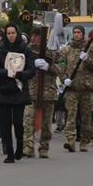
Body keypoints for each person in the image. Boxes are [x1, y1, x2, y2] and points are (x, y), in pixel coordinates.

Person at [0, 24, 36, 163]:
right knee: (4, 124)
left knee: (17, 122)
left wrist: (20, 74)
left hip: (18, 91)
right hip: (3, 91)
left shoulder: (25, 50)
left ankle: (20, 147)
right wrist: (5, 72)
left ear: (17, 33)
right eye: (8, 33)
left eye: (13, 33)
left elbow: (31, 70)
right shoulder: (0, 50)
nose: (11, 35)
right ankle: (9, 153)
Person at [56, 25, 93, 152]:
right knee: (70, 115)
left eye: (79, 32)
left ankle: (84, 141)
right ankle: (70, 140)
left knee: (86, 116)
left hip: (86, 88)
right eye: (74, 32)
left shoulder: (90, 48)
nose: (76, 34)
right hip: (72, 88)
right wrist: (64, 79)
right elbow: (60, 65)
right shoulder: (66, 50)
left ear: (83, 34)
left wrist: (87, 59)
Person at [22, 27, 60, 158]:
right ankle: (28, 147)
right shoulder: (26, 50)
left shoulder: (51, 51)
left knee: (46, 123)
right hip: (31, 91)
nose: (33, 38)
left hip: (48, 92)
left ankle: (44, 148)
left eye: (37, 36)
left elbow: (62, 69)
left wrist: (48, 67)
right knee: (28, 120)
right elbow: (19, 66)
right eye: (32, 35)